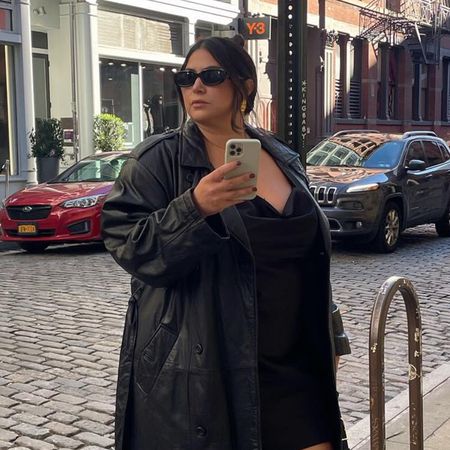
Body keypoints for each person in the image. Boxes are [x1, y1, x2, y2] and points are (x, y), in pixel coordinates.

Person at [101, 35, 351, 450]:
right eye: (186, 77)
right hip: (212, 372)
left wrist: (332, 334)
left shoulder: (283, 157)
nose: (195, 87)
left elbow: (305, 262)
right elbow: (129, 245)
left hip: (296, 367)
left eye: (211, 76)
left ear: (244, 86)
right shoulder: (157, 162)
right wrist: (195, 207)